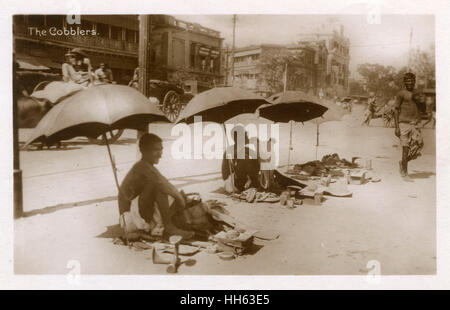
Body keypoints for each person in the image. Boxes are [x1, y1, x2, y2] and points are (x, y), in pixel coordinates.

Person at [118, 133, 194, 240]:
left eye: (161, 149)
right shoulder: (141, 166)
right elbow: (161, 184)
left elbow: (166, 183)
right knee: (158, 186)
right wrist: (179, 199)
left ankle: (165, 226)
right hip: (129, 219)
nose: (160, 154)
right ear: (144, 151)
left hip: (139, 214)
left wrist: (179, 196)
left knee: (166, 189)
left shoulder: (148, 166)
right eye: (156, 150)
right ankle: (168, 227)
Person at [394, 72, 425, 178]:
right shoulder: (401, 94)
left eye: (411, 81)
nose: (410, 83)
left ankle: (402, 163)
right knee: (405, 148)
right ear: (404, 82)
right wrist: (397, 127)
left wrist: (421, 101)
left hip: (415, 124)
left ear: (414, 81)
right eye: (407, 81)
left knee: (418, 146)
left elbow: (423, 109)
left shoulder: (418, 93)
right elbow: (396, 110)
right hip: (403, 124)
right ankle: (405, 173)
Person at [221, 125, 260, 193]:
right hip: (233, 183)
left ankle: (254, 183)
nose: (247, 136)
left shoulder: (245, 149)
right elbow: (225, 175)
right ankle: (254, 184)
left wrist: (257, 146)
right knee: (245, 159)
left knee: (252, 160)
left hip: (241, 181)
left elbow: (259, 164)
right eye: (245, 135)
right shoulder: (231, 150)